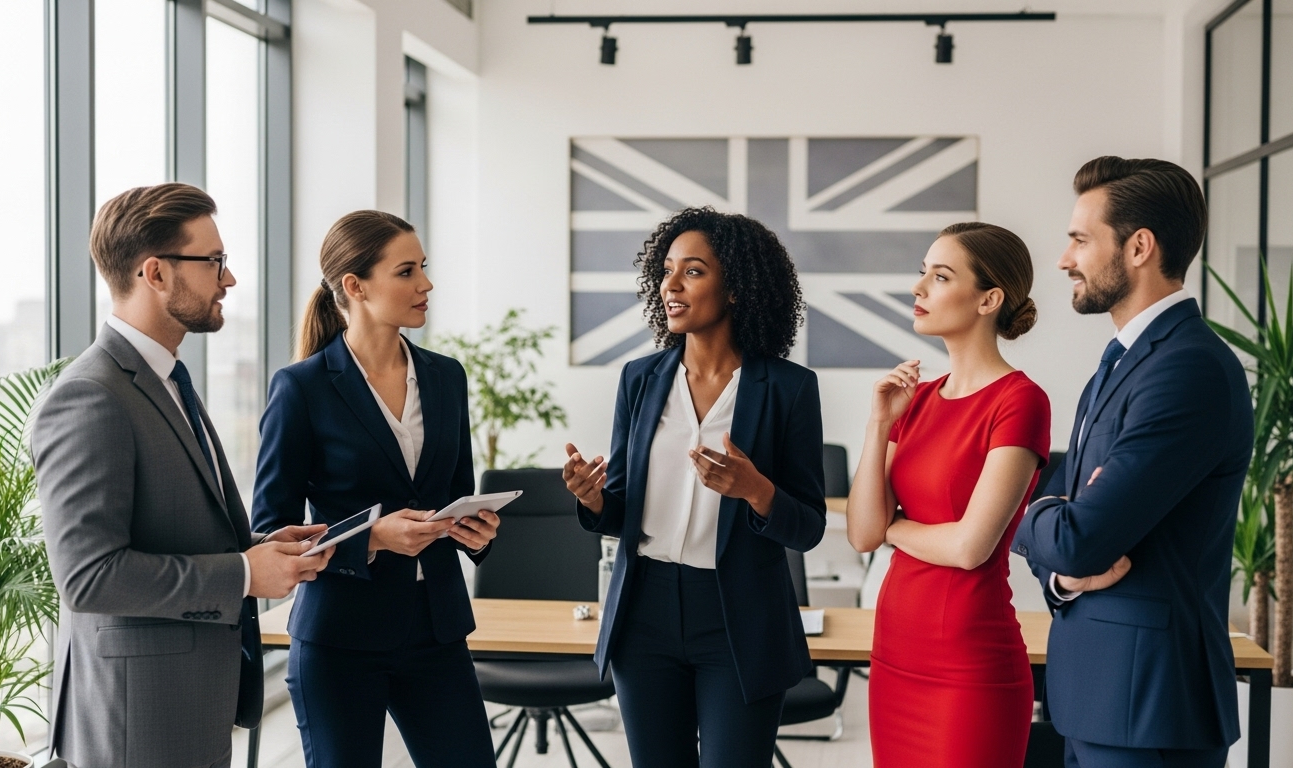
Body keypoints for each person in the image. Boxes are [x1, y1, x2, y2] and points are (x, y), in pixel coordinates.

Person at [34, 183, 332, 768]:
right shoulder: (90, 397)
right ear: (156, 273)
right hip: (135, 719)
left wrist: (258, 548)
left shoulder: (167, 380)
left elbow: (171, 530)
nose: (229, 279)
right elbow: (90, 578)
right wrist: (245, 574)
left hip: (186, 701)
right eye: (214, 261)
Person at [563, 207, 826, 768]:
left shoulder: (789, 389)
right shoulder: (640, 378)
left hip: (739, 619)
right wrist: (593, 499)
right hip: (644, 613)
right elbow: (622, 508)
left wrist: (757, 490)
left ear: (736, 288)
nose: (671, 285)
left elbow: (809, 527)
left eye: (694, 271)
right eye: (667, 270)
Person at [1012, 157, 1252, 768]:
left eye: (1080, 239)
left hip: (1151, 709)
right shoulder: (1122, 360)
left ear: (1139, 247)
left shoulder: (1187, 369)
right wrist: (1065, 573)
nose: (1065, 259)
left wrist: (1037, 514)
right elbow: (1067, 531)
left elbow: (1079, 534)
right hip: (1100, 697)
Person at [251, 210, 500, 768]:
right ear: (355, 286)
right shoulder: (301, 388)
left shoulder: (445, 377)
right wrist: (372, 540)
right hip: (340, 639)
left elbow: (455, 491)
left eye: (424, 268)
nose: (426, 284)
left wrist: (475, 532)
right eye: (407, 271)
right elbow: (270, 531)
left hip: (436, 632)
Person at [843, 222, 1050, 768]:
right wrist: (878, 423)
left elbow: (968, 548)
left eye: (940, 277)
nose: (919, 290)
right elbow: (863, 533)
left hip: (970, 668)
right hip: (893, 657)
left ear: (989, 298)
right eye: (922, 274)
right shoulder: (918, 398)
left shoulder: (1020, 401)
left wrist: (895, 529)